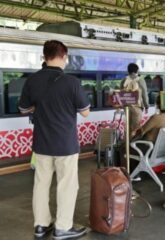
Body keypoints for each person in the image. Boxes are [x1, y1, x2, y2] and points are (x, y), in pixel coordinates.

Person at [19, 40, 89, 239]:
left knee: (41, 184)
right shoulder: (72, 82)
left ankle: (41, 225)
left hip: (41, 143)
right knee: (66, 185)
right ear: (64, 56)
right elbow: (85, 112)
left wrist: (40, 106)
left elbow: (24, 109)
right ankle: (63, 227)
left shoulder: (32, 81)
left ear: (44, 56)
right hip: (66, 144)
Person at [120, 63, 150, 134]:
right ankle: (132, 144)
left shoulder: (124, 80)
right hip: (137, 107)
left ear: (128, 71)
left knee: (128, 127)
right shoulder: (140, 80)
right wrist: (146, 106)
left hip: (126, 107)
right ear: (137, 71)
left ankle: (126, 143)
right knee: (135, 128)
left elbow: (121, 93)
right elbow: (144, 94)